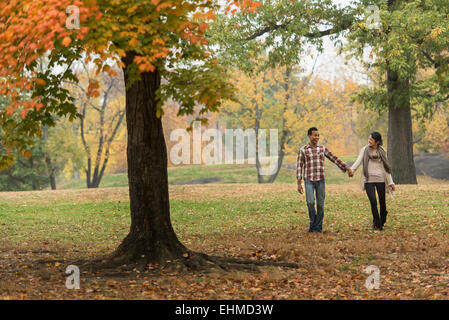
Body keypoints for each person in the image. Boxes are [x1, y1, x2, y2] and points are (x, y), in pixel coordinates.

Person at [297, 127, 353, 233]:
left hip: (320, 180)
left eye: (318, 135)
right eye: (314, 135)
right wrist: (299, 183)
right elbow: (299, 166)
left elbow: (334, 158)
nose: (316, 137)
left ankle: (317, 228)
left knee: (320, 204)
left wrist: (347, 168)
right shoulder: (303, 150)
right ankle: (313, 222)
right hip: (308, 180)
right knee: (310, 202)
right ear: (309, 136)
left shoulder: (322, 149)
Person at [349, 132, 396, 231]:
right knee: (373, 202)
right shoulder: (364, 150)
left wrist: (391, 182)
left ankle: (382, 219)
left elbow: (386, 168)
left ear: (377, 142)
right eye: (369, 138)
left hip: (381, 179)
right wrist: (352, 170)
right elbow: (358, 161)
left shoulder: (382, 152)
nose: (369, 141)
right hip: (368, 180)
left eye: (371, 139)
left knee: (382, 203)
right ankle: (377, 224)